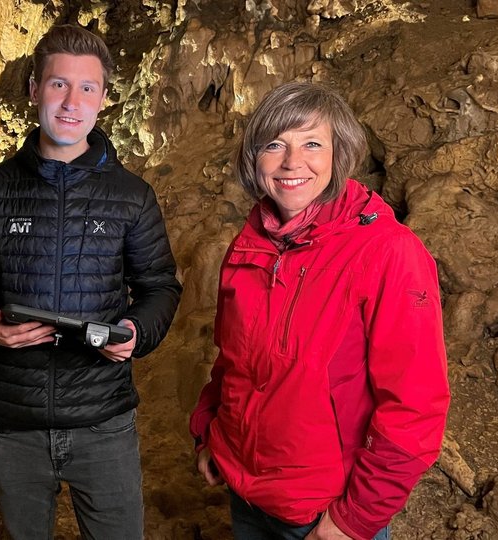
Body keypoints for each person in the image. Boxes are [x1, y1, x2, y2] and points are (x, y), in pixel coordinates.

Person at [189, 81, 450, 540]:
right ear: (255, 159)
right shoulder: (249, 247)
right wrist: (211, 432)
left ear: (339, 154)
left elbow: (414, 408)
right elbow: (232, 361)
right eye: (275, 145)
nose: (293, 163)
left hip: (325, 514)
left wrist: (354, 521)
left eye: (312, 143)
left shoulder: (388, 253)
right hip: (247, 498)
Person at [0, 24, 182, 540]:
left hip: (103, 423)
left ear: (103, 98)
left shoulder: (131, 196)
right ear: (34, 89)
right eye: (58, 84)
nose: (71, 102)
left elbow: (160, 288)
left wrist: (134, 332)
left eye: (87, 88)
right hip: (14, 423)